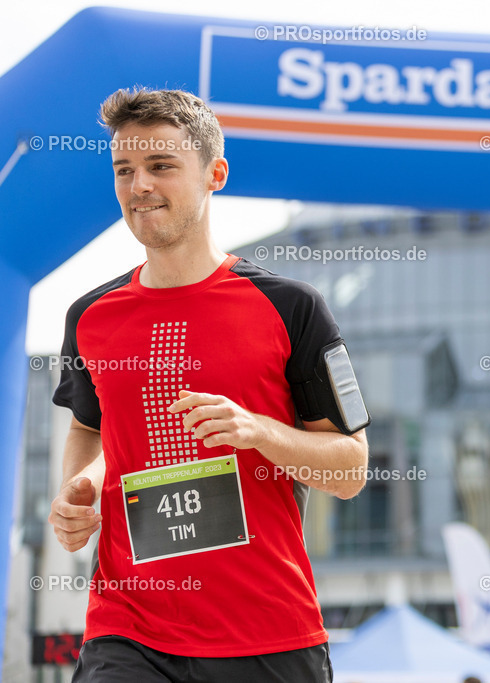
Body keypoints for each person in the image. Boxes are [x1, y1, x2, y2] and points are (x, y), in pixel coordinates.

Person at [47, 88, 369, 682]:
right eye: (125, 170)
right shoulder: (89, 316)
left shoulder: (291, 308)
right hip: (128, 629)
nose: (139, 184)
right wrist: (80, 489)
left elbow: (350, 470)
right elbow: (90, 428)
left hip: (267, 633)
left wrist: (260, 431)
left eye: (161, 166)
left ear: (215, 173)